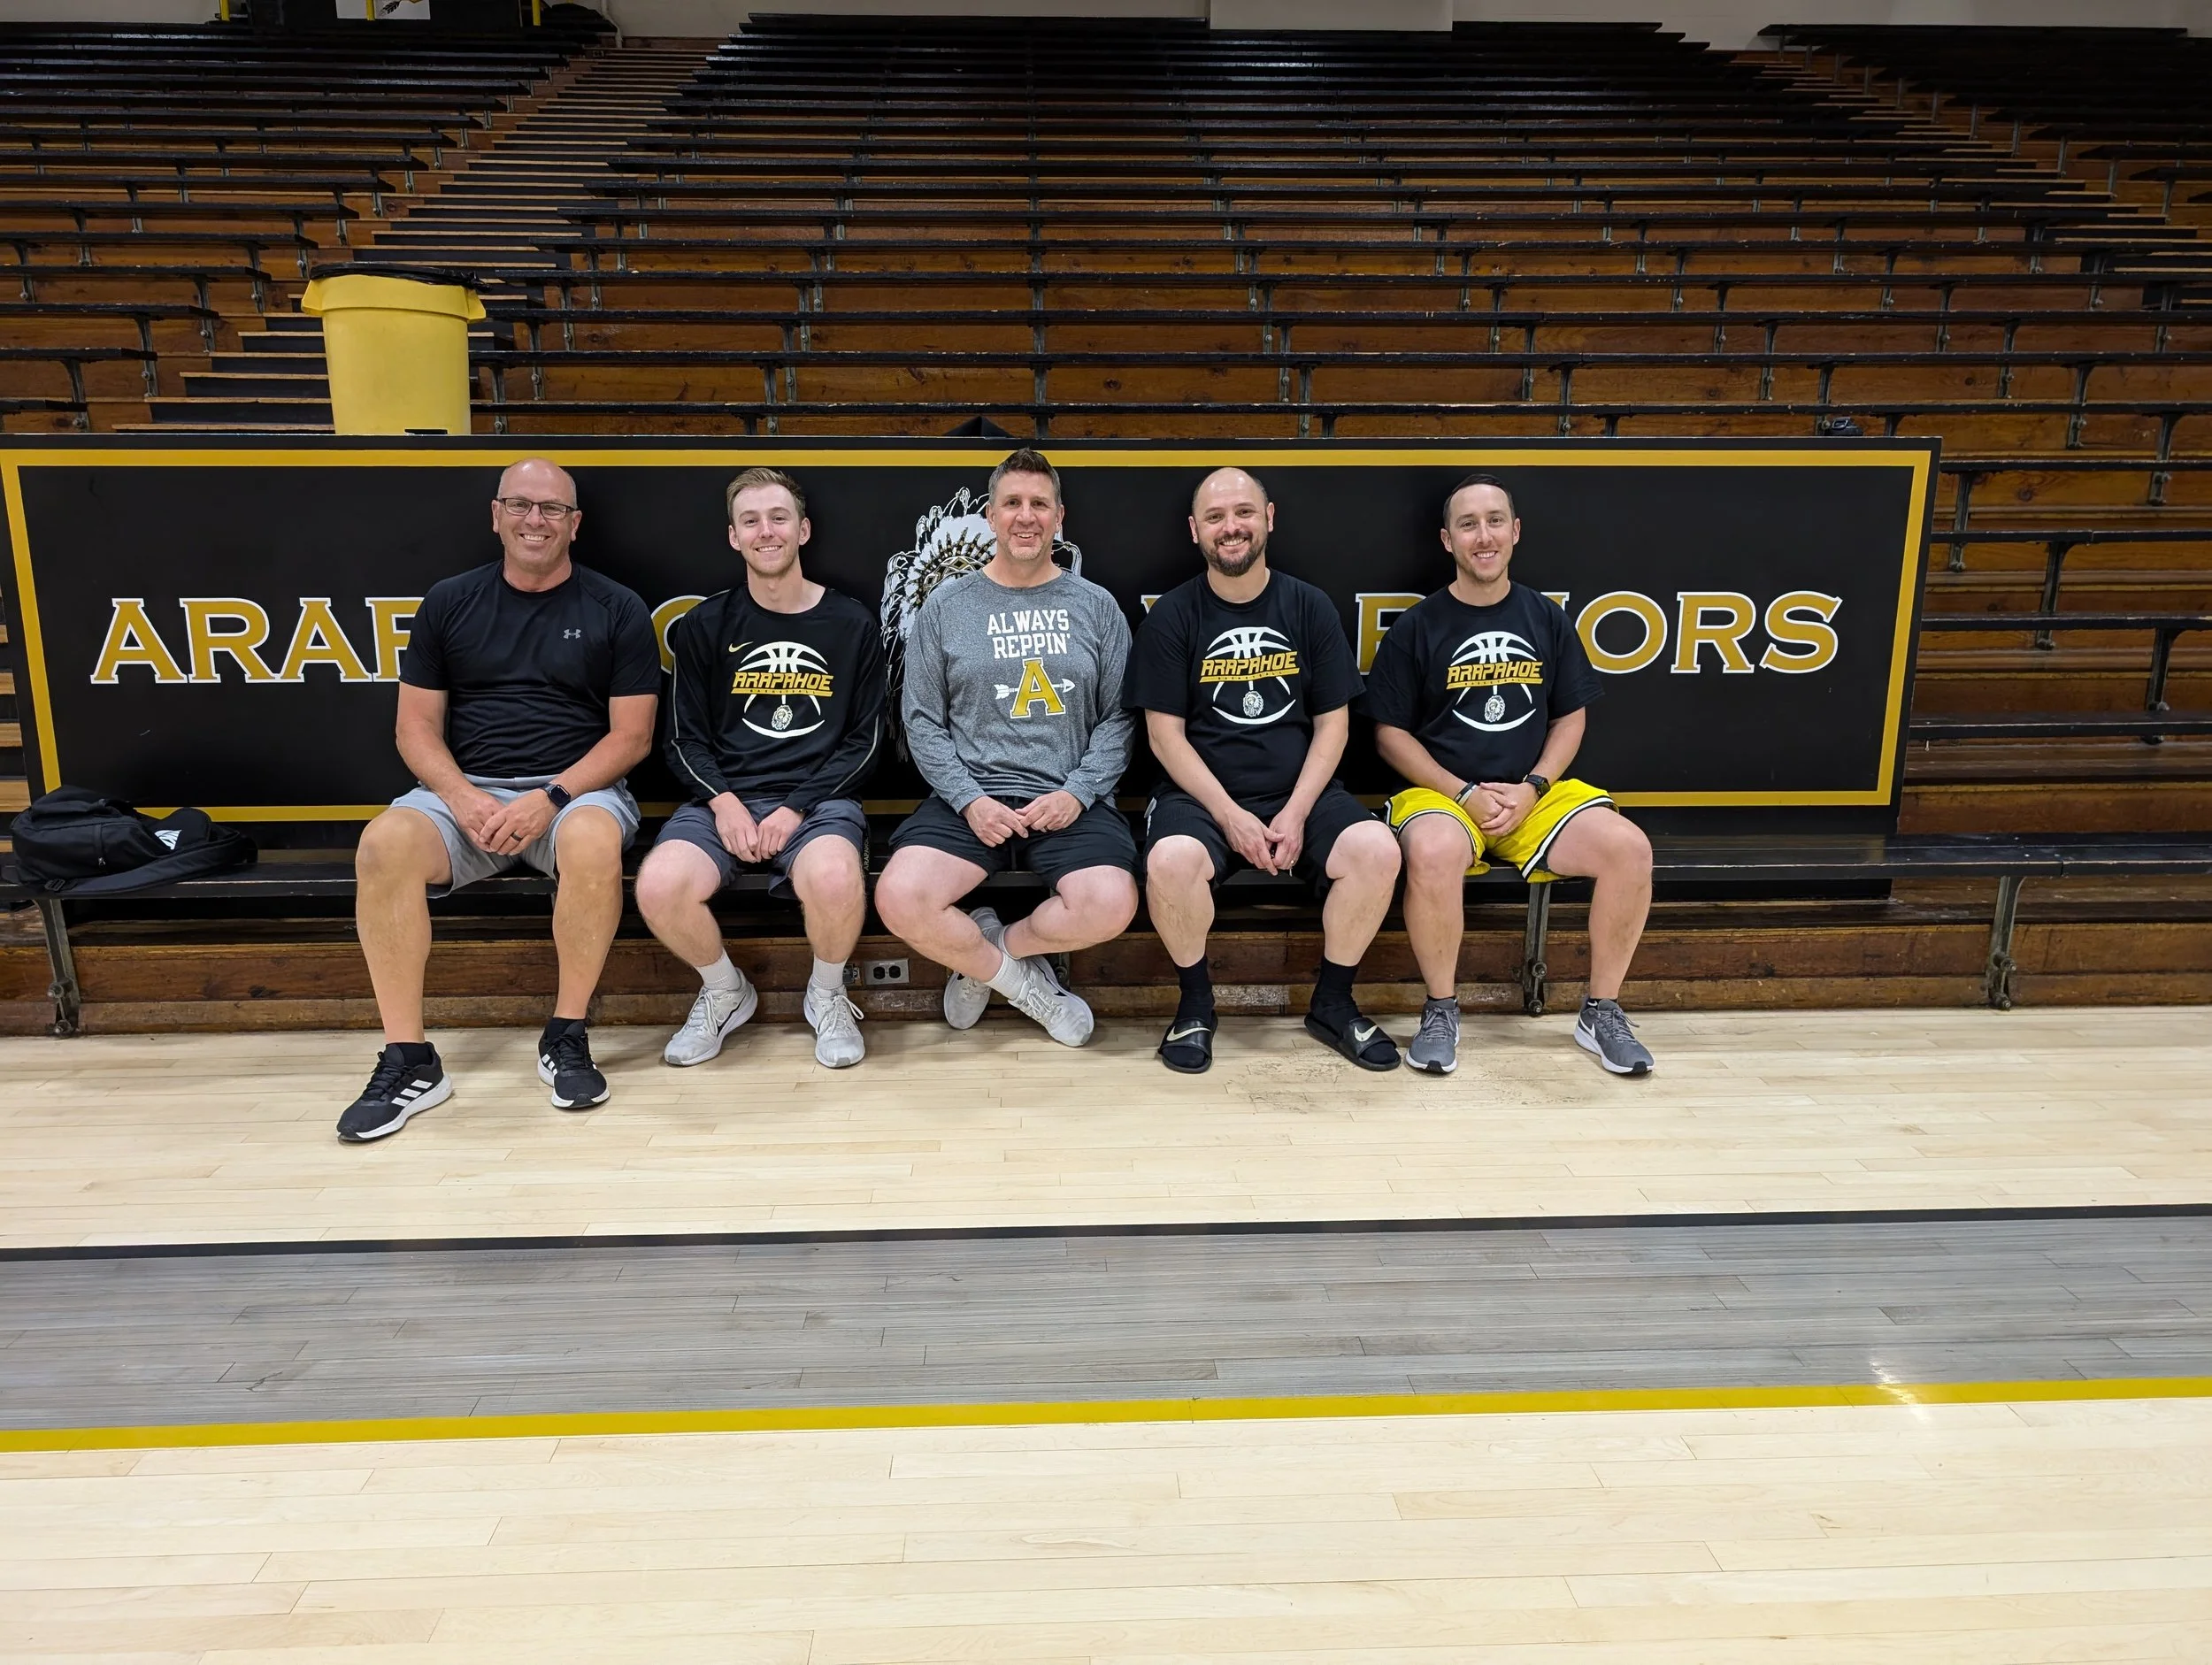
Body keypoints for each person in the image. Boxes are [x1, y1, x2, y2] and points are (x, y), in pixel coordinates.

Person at [340, 457, 661, 1141]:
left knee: (593, 840)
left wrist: (550, 797)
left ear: (575, 525)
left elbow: (631, 738)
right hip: (467, 797)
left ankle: (566, 1036)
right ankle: (408, 1060)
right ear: (495, 515)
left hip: (574, 792)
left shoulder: (616, 607)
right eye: (520, 505)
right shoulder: (450, 601)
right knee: (383, 843)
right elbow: (414, 728)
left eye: (551, 510)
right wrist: (459, 797)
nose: (534, 521)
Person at [1367, 472, 1656, 1077]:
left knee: (1629, 848)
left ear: (1516, 531)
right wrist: (1463, 793)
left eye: (1495, 521)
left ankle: (1601, 1011)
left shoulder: (1545, 619)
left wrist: (1535, 787)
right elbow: (1389, 734)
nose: (1483, 535)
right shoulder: (1418, 627)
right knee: (1435, 849)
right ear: (1447, 540)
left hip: (1530, 794)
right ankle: (1442, 1008)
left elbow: (1570, 717)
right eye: (1468, 525)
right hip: (1445, 793)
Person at [1126, 466, 1402, 1073]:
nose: (1233, 528)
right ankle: (1196, 1007)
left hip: (1300, 790)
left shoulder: (1309, 606)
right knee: (1169, 862)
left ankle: (1333, 1003)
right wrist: (1231, 817)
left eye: (1244, 513)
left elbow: (1334, 724)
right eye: (1218, 517)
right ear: (1196, 530)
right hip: (1200, 797)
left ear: (1268, 518)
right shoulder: (1174, 616)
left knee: (1377, 850)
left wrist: (1296, 812)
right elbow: (1163, 736)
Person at [872, 448, 1138, 1045]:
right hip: (972, 799)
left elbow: (1121, 717)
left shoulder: (1095, 606)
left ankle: (990, 953)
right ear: (990, 517)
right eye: (1012, 503)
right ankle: (1028, 990)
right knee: (899, 896)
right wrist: (969, 799)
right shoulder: (945, 605)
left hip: (1066, 798)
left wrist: (1078, 792)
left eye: (1039, 504)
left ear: (1059, 517)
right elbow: (920, 720)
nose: (1026, 516)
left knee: (1110, 903)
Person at [634, 468, 884, 1070]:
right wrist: (724, 804)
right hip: (724, 799)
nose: (765, 531)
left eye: (778, 518)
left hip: (817, 802)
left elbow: (866, 742)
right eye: (751, 521)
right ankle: (725, 993)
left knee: (831, 878)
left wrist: (794, 806)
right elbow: (682, 740)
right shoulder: (702, 627)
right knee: (659, 886)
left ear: (803, 530)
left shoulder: (852, 624)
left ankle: (825, 996)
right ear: (733, 537)